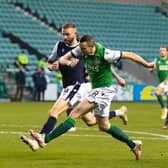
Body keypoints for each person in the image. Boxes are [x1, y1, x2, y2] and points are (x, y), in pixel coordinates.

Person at [26, 34, 154, 160]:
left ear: (92, 47)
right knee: (103, 125)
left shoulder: (105, 53)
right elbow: (64, 58)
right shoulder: (81, 49)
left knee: (74, 113)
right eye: (81, 49)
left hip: (104, 90)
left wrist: (147, 65)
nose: (81, 52)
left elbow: (130, 55)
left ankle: (45, 139)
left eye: (84, 49)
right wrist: (65, 62)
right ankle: (133, 145)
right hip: (95, 88)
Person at [20, 24, 128, 150]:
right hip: (68, 87)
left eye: (68, 34)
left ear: (75, 33)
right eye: (63, 34)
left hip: (77, 86)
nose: (65, 37)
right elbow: (49, 63)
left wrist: (117, 77)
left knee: (54, 112)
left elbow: (103, 63)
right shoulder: (59, 46)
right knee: (91, 121)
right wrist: (52, 66)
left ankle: (40, 137)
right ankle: (119, 112)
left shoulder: (83, 48)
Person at [150, 46, 168, 128]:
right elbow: (154, 67)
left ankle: (163, 108)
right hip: (163, 83)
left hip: (166, 82)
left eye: (163, 50)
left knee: (157, 92)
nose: (162, 52)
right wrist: (152, 69)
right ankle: (166, 123)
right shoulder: (157, 60)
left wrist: (167, 79)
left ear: (167, 52)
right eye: (160, 51)